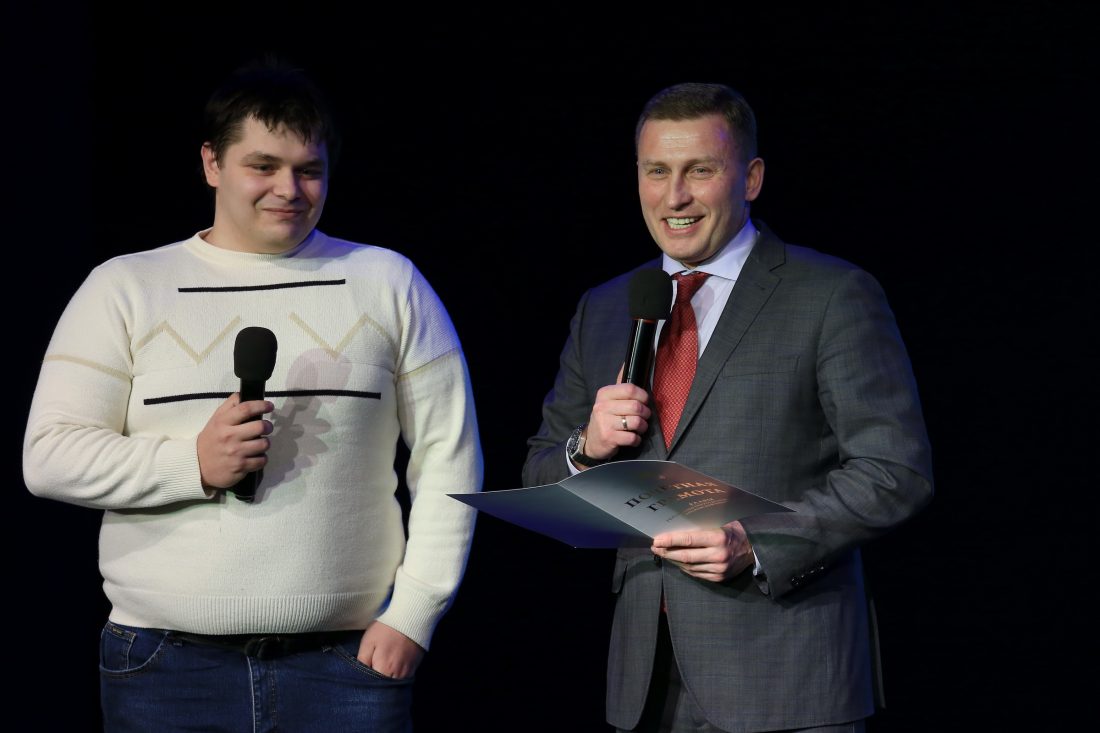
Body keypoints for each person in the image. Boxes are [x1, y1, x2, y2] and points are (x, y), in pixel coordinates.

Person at [22, 58, 482, 732]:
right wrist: (192, 464)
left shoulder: (388, 281)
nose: (288, 189)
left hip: (346, 665)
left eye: (309, 170)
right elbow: (50, 456)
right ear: (212, 163)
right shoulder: (125, 287)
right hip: (165, 668)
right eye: (263, 166)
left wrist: (414, 613)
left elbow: (450, 459)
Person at [522, 82, 933, 733]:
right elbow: (540, 470)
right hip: (645, 684)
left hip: (788, 677)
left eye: (700, 171)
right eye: (657, 171)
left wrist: (755, 541)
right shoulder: (604, 308)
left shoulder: (831, 294)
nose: (674, 197)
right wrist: (587, 448)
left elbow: (894, 471)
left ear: (751, 178)